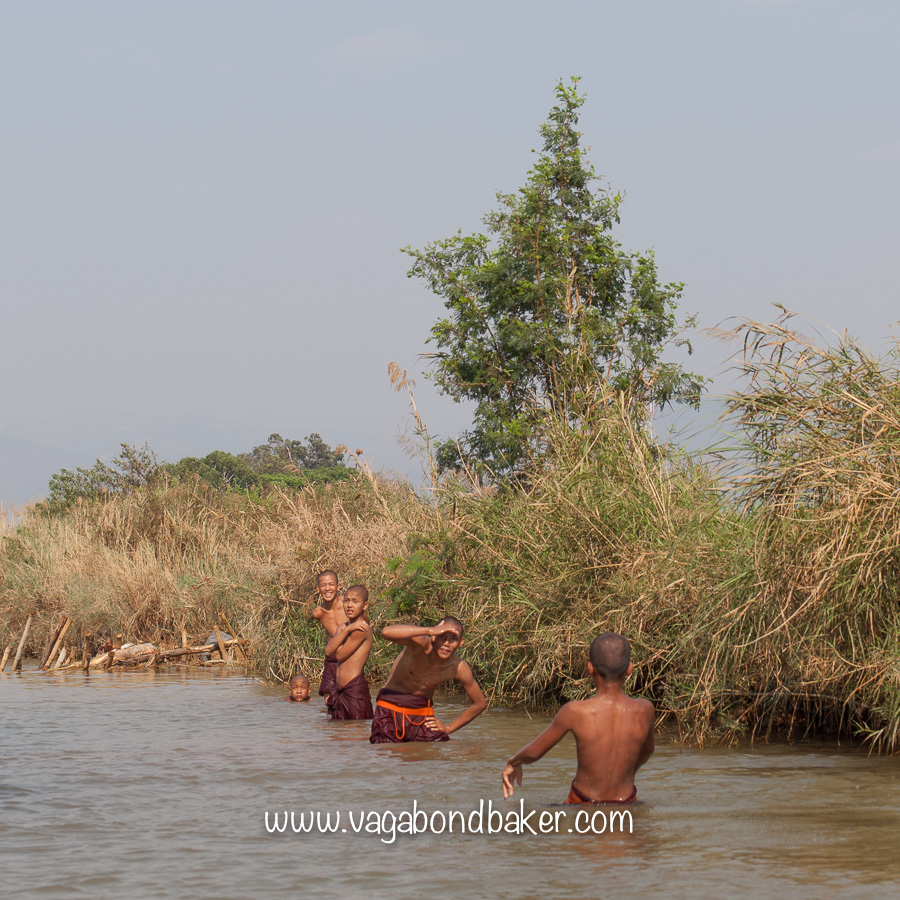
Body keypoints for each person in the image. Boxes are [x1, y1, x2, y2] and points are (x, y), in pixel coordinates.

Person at [501, 632, 654, 804]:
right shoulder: (645, 710)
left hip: (584, 803)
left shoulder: (575, 711)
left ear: (590, 668)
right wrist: (628, 773)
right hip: (627, 801)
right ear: (629, 668)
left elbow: (536, 751)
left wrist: (513, 762)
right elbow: (648, 750)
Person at [369, 617, 486, 743]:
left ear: (460, 642)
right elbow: (386, 632)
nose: (446, 643)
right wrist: (429, 630)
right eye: (442, 636)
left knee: (439, 748)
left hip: (422, 716)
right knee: (384, 753)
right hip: (389, 710)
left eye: (453, 639)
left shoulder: (457, 667)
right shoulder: (420, 644)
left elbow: (479, 704)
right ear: (434, 637)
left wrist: (449, 728)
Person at [323, 585, 375, 720]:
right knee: (339, 735)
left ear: (365, 605)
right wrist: (347, 629)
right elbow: (328, 651)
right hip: (339, 689)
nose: (349, 605)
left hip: (354, 689)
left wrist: (346, 631)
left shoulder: (362, 629)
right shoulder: (344, 627)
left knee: (355, 735)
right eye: (346, 601)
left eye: (355, 601)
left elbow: (339, 655)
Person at [311, 570, 347, 703]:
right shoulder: (318, 613)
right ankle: (330, 723)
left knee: (350, 694)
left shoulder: (347, 605)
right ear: (318, 589)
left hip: (350, 655)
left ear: (338, 586)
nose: (327, 588)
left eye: (331, 584)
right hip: (332, 658)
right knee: (329, 698)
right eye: (323, 585)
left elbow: (364, 622)